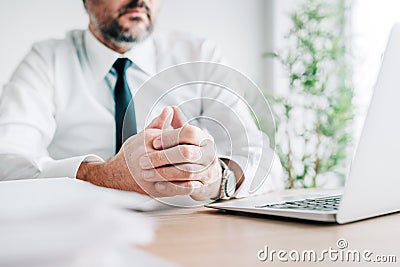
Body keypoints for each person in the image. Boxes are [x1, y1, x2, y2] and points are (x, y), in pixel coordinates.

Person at [0, 0, 283, 201]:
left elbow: (265, 162)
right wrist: (102, 176)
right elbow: (7, 163)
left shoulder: (200, 55)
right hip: (81, 237)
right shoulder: (47, 61)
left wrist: (215, 180)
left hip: (188, 234)